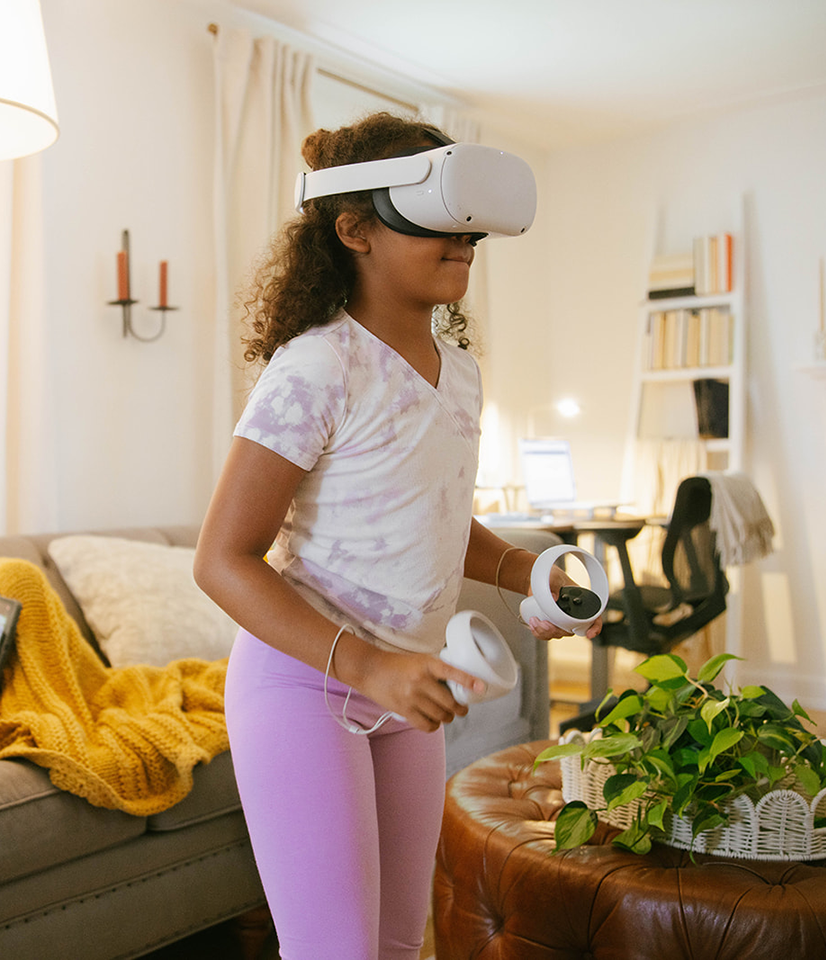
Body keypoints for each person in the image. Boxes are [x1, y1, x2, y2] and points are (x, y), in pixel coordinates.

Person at [192, 112, 600, 960]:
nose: (465, 240)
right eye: (440, 219)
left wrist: (527, 568)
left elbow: (434, 520)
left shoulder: (462, 375)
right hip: (307, 689)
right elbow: (221, 560)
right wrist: (368, 663)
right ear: (355, 230)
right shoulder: (316, 366)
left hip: (408, 697)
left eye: (471, 228)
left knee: (395, 944)